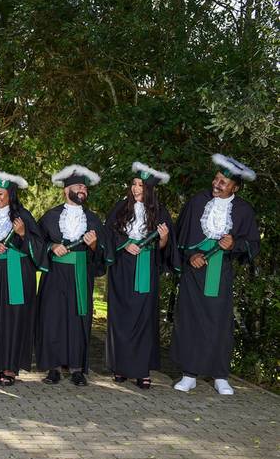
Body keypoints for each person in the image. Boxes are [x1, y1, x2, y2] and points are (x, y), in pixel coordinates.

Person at [171, 154, 259, 396]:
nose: (216, 184)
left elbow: (253, 245)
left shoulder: (243, 210)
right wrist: (191, 256)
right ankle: (189, 375)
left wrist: (234, 244)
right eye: (216, 178)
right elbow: (180, 237)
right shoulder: (197, 202)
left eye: (223, 182)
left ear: (235, 188)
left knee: (219, 323)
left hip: (221, 274)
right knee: (190, 320)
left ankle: (220, 376)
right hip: (194, 273)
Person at [104, 162, 175, 390]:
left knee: (144, 318)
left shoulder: (160, 212)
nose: (135, 189)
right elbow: (108, 234)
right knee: (122, 316)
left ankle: (142, 370)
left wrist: (163, 239)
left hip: (146, 266)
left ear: (150, 189)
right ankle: (120, 367)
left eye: (141, 185)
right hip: (122, 268)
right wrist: (124, 244)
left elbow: (165, 247)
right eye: (134, 184)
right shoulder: (120, 207)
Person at [35, 165, 106, 387]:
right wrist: (52, 246)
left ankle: (77, 369)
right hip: (55, 274)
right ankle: (53, 368)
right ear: (66, 190)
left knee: (78, 319)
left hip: (80, 273)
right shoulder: (50, 216)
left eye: (85, 187)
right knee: (52, 318)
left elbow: (103, 253)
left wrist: (93, 246)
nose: (83, 190)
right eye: (78, 186)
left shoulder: (93, 219)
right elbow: (36, 243)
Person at [0, 170, 42, 387]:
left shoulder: (23, 216)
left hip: (19, 271)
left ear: (11, 195)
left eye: (0, 194)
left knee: (16, 317)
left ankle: (10, 368)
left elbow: (39, 245)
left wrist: (23, 233)